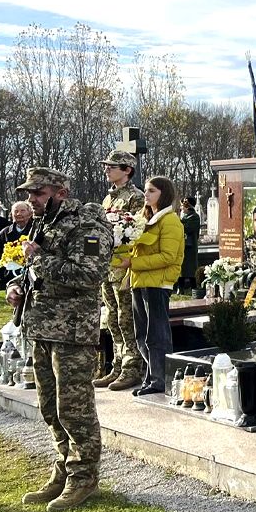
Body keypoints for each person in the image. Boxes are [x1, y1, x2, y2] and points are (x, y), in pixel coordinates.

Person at [7, 167, 112, 512]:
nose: (31, 200)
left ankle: (84, 478)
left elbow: (89, 274)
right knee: (50, 407)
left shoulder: (87, 223)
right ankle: (64, 469)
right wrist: (18, 286)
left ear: (60, 192)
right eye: (29, 194)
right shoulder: (45, 222)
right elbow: (36, 269)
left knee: (74, 408)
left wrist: (40, 258)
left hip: (71, 332)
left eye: (37, 193)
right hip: (41, 328)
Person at [120, 176, 184, 397]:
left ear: (163, 194)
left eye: (152, 191)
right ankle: (151, 376)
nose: (146, 195)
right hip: (140, 281)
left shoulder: (170, 221)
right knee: (142, 335)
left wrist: (133, 263)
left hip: (157, 283)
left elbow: (168, 256)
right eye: (146, 190)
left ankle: (160, 379)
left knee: (156, 335)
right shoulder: (146, 219)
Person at [96, 149, 146, 391]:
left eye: (112, 166)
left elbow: (137, 232)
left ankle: (132, 367)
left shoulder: (136, 197)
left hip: (125, 266)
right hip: (108, 265)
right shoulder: (108, 199)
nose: (107, 169)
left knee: (126, 319)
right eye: (106, 166)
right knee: (112, 318)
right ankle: (116, 365)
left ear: (127, 170)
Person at [178, 197, 200, 294]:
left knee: (191, 268)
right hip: (183, 246)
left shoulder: (195, 217)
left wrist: (179, 223)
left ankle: (193, 287)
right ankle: (181, 288)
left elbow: (188, 228)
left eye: (183, 206)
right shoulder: (185, 217)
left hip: (190, 247)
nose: (181, 208)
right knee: (182, 268)